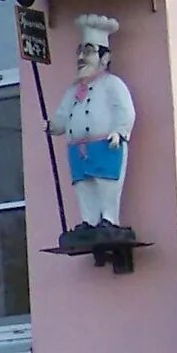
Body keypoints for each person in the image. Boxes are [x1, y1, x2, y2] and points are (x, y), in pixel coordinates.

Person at [48, 14, 135, 248]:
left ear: (104, 57)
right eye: (80, 51)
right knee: (83, 184)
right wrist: (53, 126)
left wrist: (120, 130)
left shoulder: (112, 84)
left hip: (105, 145)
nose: (81, 57)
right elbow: (63, 115)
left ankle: (108, 218)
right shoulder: (73, 90)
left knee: (106, 182)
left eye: (88, 51)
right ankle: (89, 220)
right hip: (77, 149)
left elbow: (124, 110)